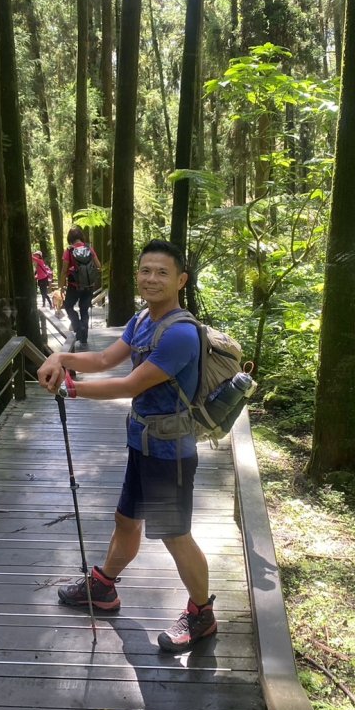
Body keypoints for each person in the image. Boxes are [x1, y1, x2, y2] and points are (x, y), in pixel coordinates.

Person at [37, 239, 215, 653]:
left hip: (170, 451)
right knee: (125, 519)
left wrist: (72, 390)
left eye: (162, 273)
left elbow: (132, 384)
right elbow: (103, 362)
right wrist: (62, 358)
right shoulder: (141, 320)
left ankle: (202, 614)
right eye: (145, 271)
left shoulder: (181, 334)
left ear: (181, 280)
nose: (151, 279)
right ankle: (103, 588)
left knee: (175, 535)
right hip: (143, 441)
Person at [62, 227, 100, 349]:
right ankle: (84, 338)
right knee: (84, 310)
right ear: (81, 237)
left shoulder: (69, 251)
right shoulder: (89, 248)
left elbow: (64, 270)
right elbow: (98, 265)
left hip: (74, 286)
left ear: (70, 239)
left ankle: (78, 328)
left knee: (68, 306)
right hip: (88, 286)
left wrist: (61, 286)